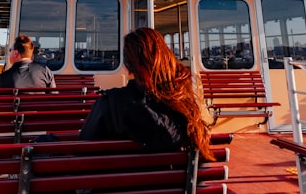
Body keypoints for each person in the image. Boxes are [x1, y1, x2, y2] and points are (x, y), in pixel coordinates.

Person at [78, 27, 214, 160]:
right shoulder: (187, 112)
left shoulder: (109, 105)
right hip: (173, 182)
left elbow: (83, 154)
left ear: (127, 67)